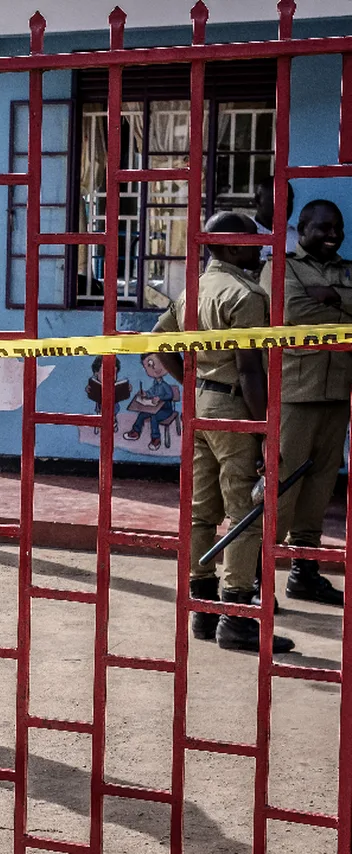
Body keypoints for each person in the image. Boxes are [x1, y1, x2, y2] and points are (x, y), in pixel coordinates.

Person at [152, 210, 294, 653]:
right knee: (245, 510)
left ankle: (203, 610)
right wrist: (268, 430)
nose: (261, 249)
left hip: (199, 405)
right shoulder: (246, 295)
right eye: (253, 242)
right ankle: (236, 617)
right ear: (233, 247)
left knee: (200, 510)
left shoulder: (194, 289)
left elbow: (159, 340)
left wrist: (192, 383)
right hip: (234, 407)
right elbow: (251, 370)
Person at [262, 199, 350, 607]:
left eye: (338, 228)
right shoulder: (283, 268)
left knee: (320, 489)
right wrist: (335, 307)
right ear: (302, 229)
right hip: (295, 395)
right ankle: (254, 578)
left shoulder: (347, 270)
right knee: (282, 487)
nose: (333, 235)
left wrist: (330, 296)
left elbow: (314, 314)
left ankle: (305, 573)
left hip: (337, 396)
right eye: (323, 228)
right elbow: (293, 310)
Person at [254, 179, 298, 263]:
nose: (285, 206)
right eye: (278, 200)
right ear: (257, 200)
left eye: (289, 200)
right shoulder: (243, 232)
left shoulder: (298, 238)